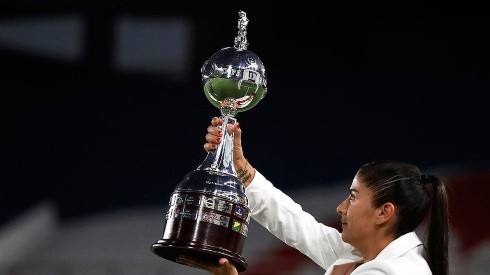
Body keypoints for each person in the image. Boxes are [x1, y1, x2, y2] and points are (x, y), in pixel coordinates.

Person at [194, 116, 449, 275]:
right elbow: (297, 225)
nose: (341, 207)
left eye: (352, 197)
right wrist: (242, 170)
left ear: (384, 212)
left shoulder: (389, 271)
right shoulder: (365, 255)